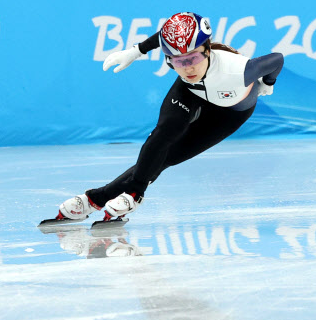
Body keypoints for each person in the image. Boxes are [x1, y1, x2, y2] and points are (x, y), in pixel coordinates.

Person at [52, 12, 284, 222]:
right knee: (163, 134)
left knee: (169, 157)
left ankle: (100, 197)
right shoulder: (187, 74)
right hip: (191, 92)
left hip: (230, 113)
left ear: (207, 50)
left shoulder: (240, 70)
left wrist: (268, 83)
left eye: (192, 59)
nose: (187, 68)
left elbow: (277, 59)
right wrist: (136, 51)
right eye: (178, 61)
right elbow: (164, 37)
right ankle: (129, 194)